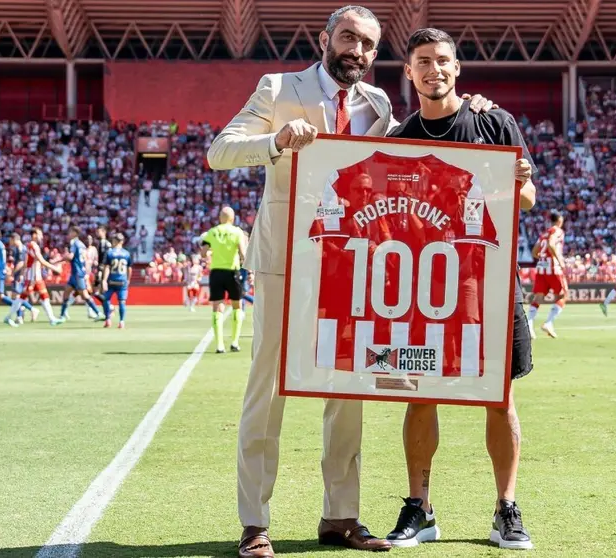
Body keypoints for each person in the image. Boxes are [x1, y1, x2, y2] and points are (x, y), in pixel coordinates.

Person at [207, 5, 496, 556]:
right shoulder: (278, 87)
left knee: (347, 391)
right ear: (325, 38)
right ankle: (254, 524)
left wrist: (476, 110)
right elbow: (219, 150)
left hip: (350, 267)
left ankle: (340, 516)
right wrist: (276, 141)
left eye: (367, 44)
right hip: (284, 263)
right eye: (347, 38)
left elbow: (411, 161)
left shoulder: (379, 103)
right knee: (267, 393)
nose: (356, 51)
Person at [382, 28, 537, 551]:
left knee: (499, 398)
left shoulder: (493, 120)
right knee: (419, 394)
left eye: (442, 60)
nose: (434, 69)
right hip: (424, 287)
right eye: (422, 61)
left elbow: (530, 196)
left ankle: (506, 509)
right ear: (409, 72)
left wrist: (518, 179)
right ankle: (420, 509)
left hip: (488, 282)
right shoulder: (400, 139)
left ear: (457, 67)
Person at [198, 207, 248, 353]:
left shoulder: (212, 232)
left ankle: (219, 345)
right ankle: (234, 342)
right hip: (233, 271)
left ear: (220, 217)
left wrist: (213, 251)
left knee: (217, 307)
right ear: (232, 218)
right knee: (237, 306)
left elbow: (202, 253)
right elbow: (243, 253)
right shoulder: (237, 232)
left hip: (216, 272)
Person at [528, 211, 567, 339]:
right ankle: (549, 323)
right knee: (562, 295)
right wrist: (559, 260)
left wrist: (542, 258)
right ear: (559, 220)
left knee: (539, 297)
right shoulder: (558, 231)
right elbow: (551, 244)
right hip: (553, 267)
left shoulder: (544, 233)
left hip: (541, 267)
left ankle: (529, 323)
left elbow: (534, 252)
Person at [58, 226, 103, 321]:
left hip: (78, 273)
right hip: (76, 273)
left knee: (85, 295)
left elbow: (71, 256)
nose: (68, 235)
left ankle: (98, 313)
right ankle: (62, 316)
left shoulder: (74, 243)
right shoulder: (82, 244)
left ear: (75, 233)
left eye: (70, 232)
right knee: (66, 292)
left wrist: (60, 259)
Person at [102, 233, 132, 329]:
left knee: (106, 299)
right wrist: (128, 279)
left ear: (115, 241)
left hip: (112, 280)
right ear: (122, 242)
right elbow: (129, 268)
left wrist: (104, 280)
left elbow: (107, 267)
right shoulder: (127, 253)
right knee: (122, 302)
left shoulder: (110, 252)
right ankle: (122, 321)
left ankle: (108, 320)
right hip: (122, 281)